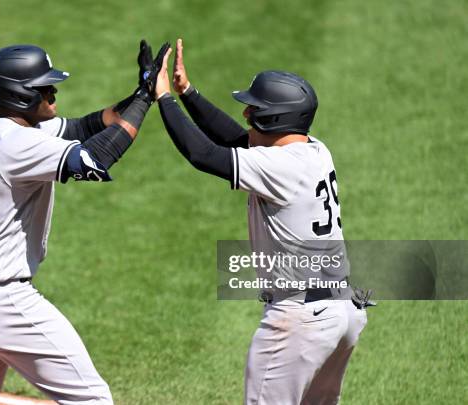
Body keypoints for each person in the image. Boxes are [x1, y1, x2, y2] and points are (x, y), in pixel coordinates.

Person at [0, 41, 168, 405]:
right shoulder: (16, 144)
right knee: (92, 399)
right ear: (22, 95)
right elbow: (95, 159)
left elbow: (84, 126)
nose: (54, 91)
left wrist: (140, 92)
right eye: (45, 87)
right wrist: (146, 101)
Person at [154, 40, 371, 404]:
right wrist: (188, 93)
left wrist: (163, 98)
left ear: (273, 119)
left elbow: (203, 154)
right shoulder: (314, 150)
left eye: (253, 110)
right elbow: (235, 140)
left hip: (300, 320)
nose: (246, 115)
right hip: (342, 312)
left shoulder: (278, 167)